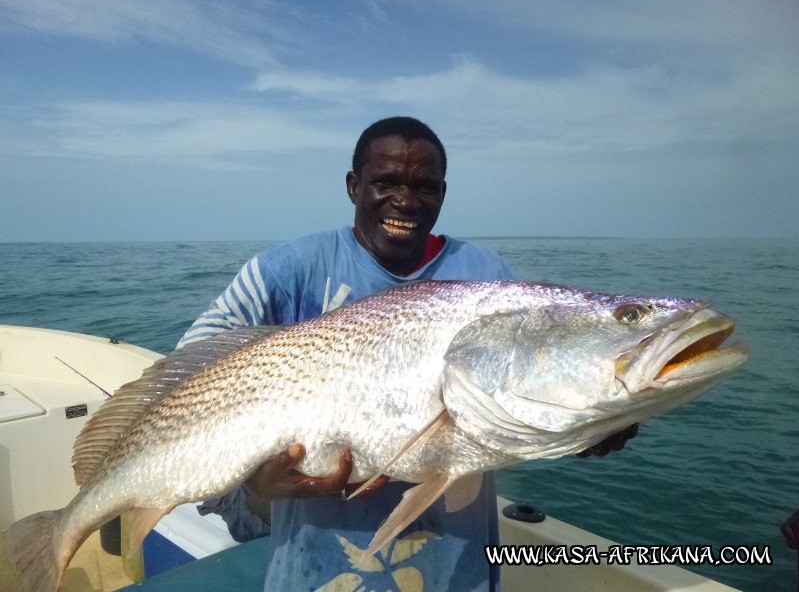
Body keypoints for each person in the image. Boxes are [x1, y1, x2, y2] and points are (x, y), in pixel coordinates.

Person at [179, 116, 636, 591]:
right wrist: (255, 486)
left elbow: (525, 395)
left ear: (442, 193)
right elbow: (189, 381)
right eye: (385, 182)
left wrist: (588, 424)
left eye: (425, 187)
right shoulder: (286, 271)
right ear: (354, 186)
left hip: (458, 572)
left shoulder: (488, 278)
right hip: (311, 573)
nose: (405, 201)